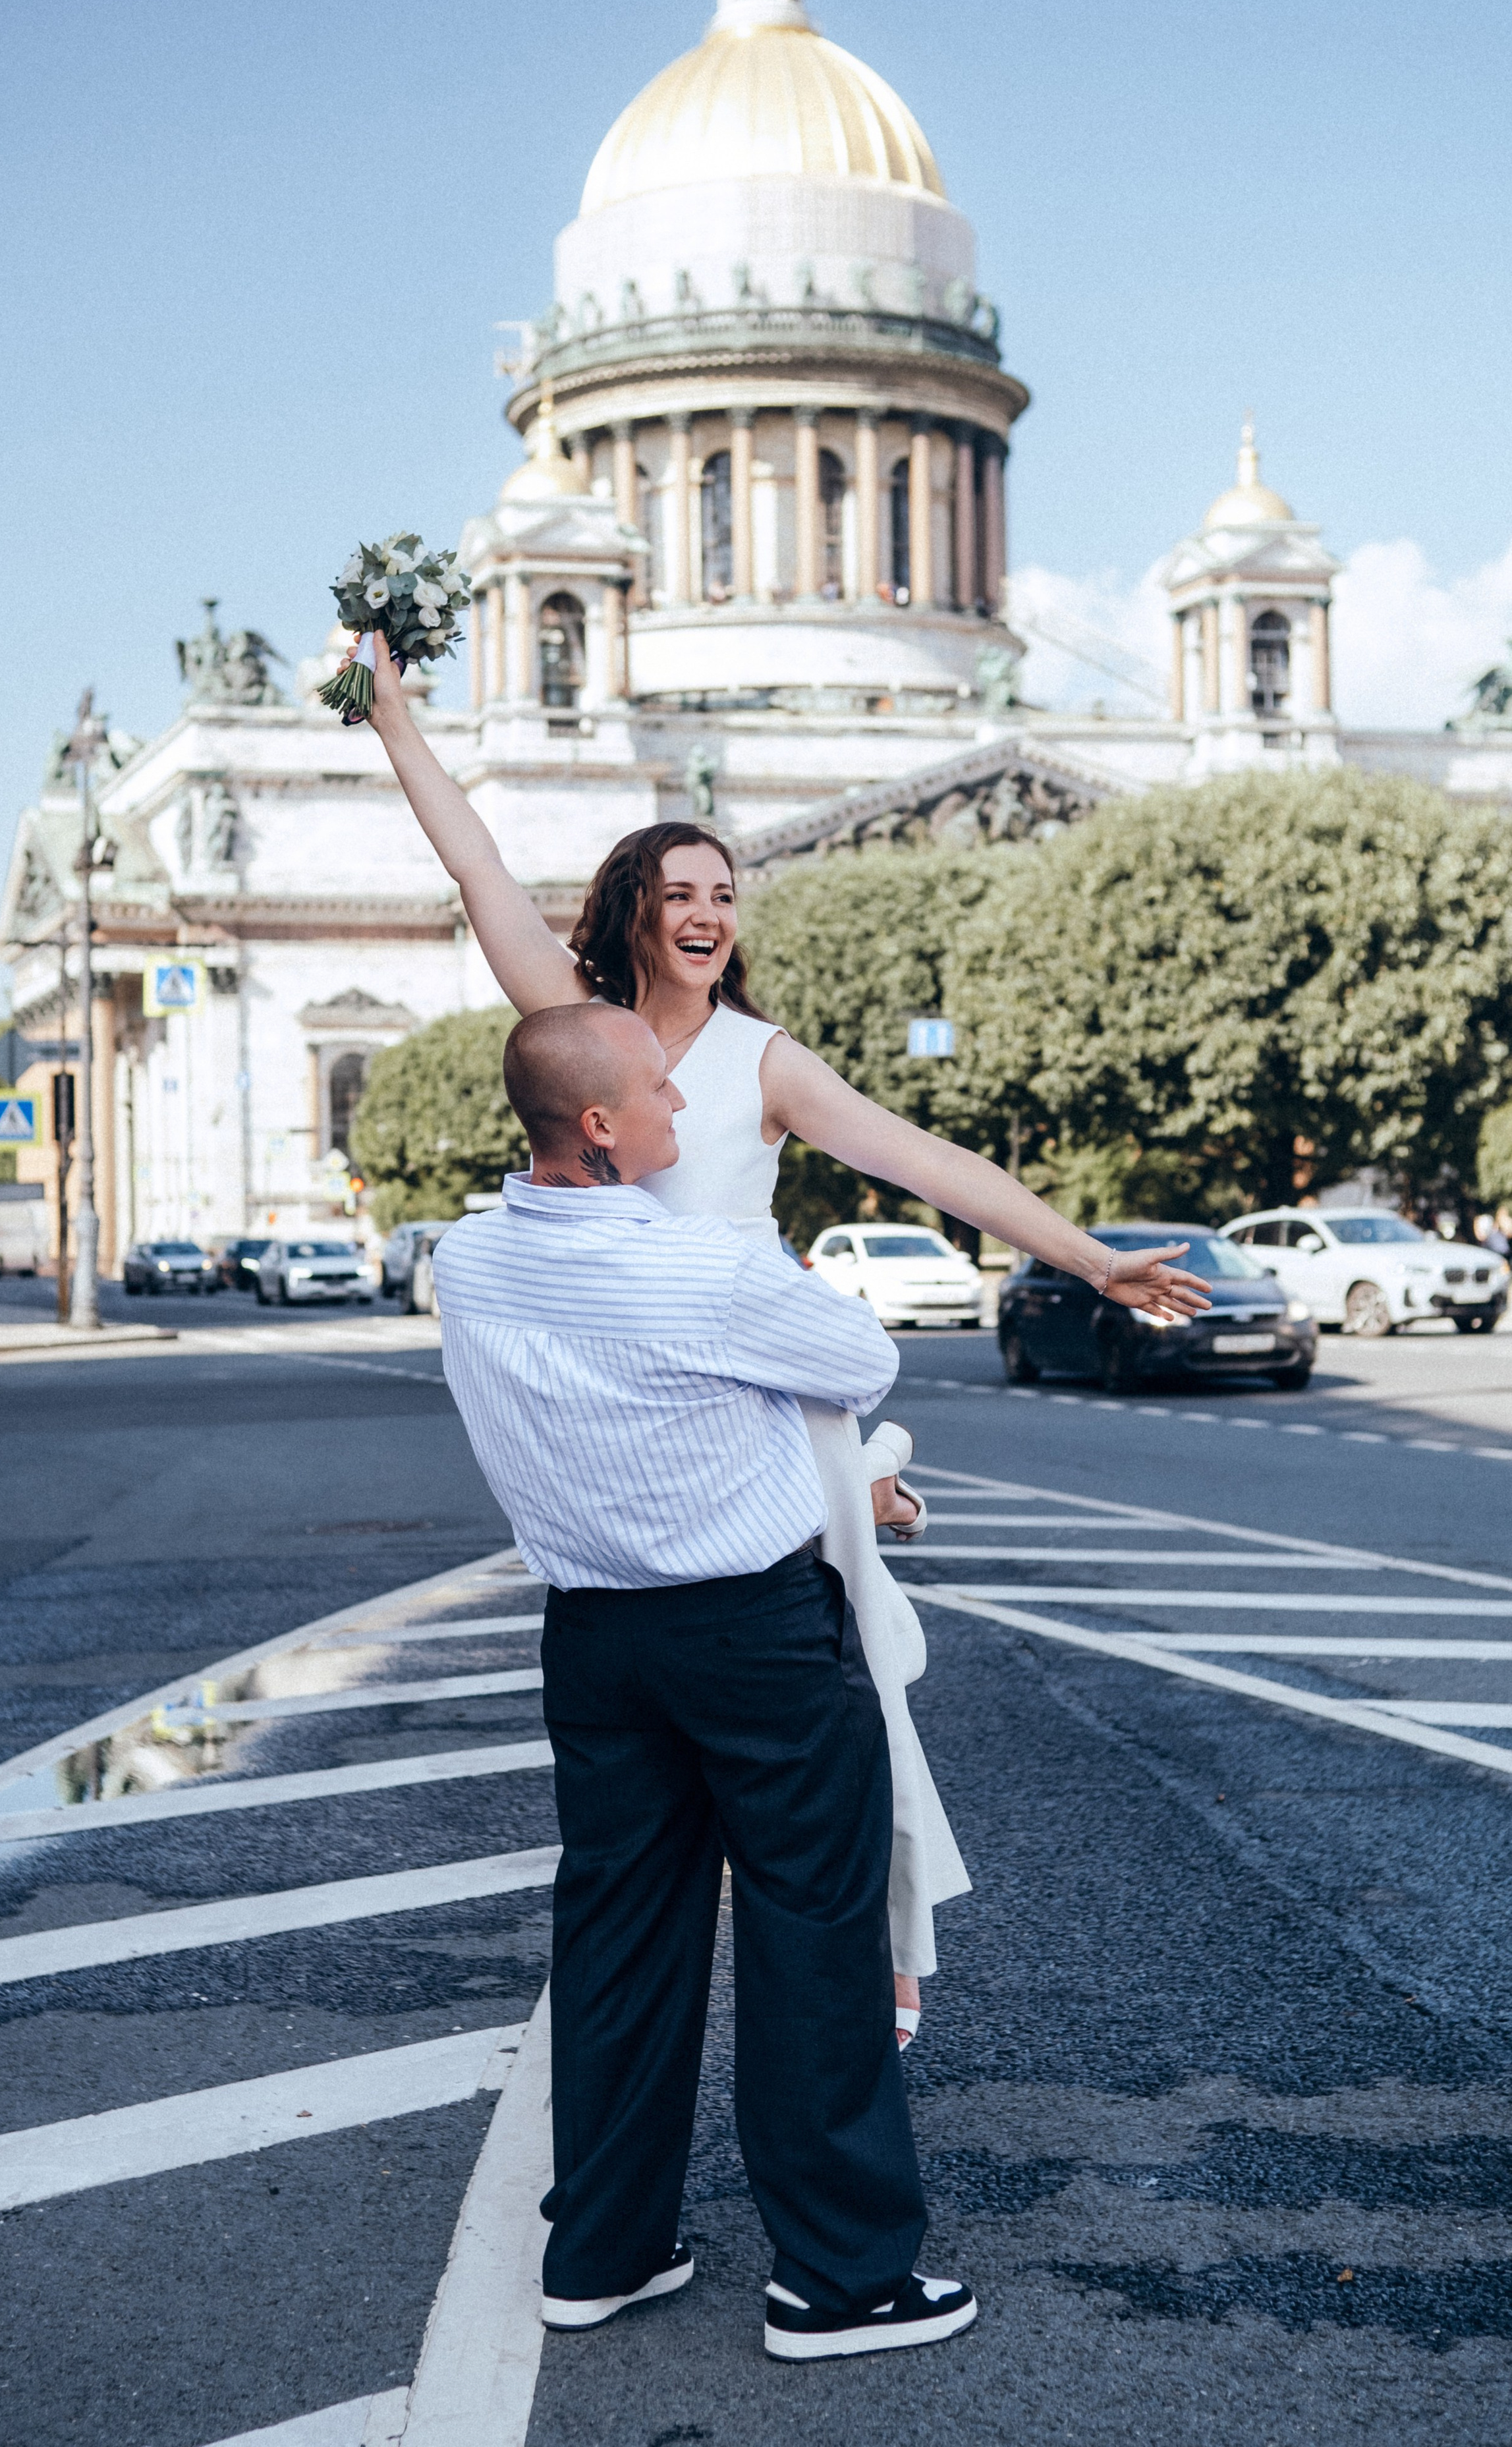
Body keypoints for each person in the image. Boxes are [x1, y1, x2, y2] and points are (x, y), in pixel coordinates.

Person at [364, 636, 1210, 2037]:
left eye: (722, 895)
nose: (704, 915)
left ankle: (872, 1952)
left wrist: (1087, 1258)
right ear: (630, 909)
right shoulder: (574, 1032)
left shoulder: (763, 1062)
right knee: (738, 1706)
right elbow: (474, 871)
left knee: (849, 1689)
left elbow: (929, 1160)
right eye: (678, 892)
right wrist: (395, 719)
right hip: (643, 1416)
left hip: (761, 1385)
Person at [435, 1001, 978, 2359]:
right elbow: (860, 1360)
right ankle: (838, 2280)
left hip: (594, 1642)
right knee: (810, 1936)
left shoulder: (468, 1257)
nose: (689, 1109)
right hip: (750, 1634)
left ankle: (602, 2251)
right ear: (604, 1129)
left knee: (615, 1938)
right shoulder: (699, 1272)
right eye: (661, 1096)